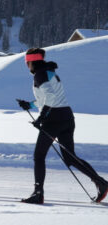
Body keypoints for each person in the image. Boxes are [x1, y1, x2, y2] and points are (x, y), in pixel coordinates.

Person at [17, 48, 107, 204]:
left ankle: (38, 194)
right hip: (66, 117)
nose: (27, 66)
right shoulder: (48, 72)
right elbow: (48, 98)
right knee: (70, 157)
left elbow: (50, 98)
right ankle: (101, 182)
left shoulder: (40, 74)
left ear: (32, 62)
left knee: (39, 156)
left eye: (27, 63)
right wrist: (30, 104)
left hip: (53, 120)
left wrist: (41, 117)